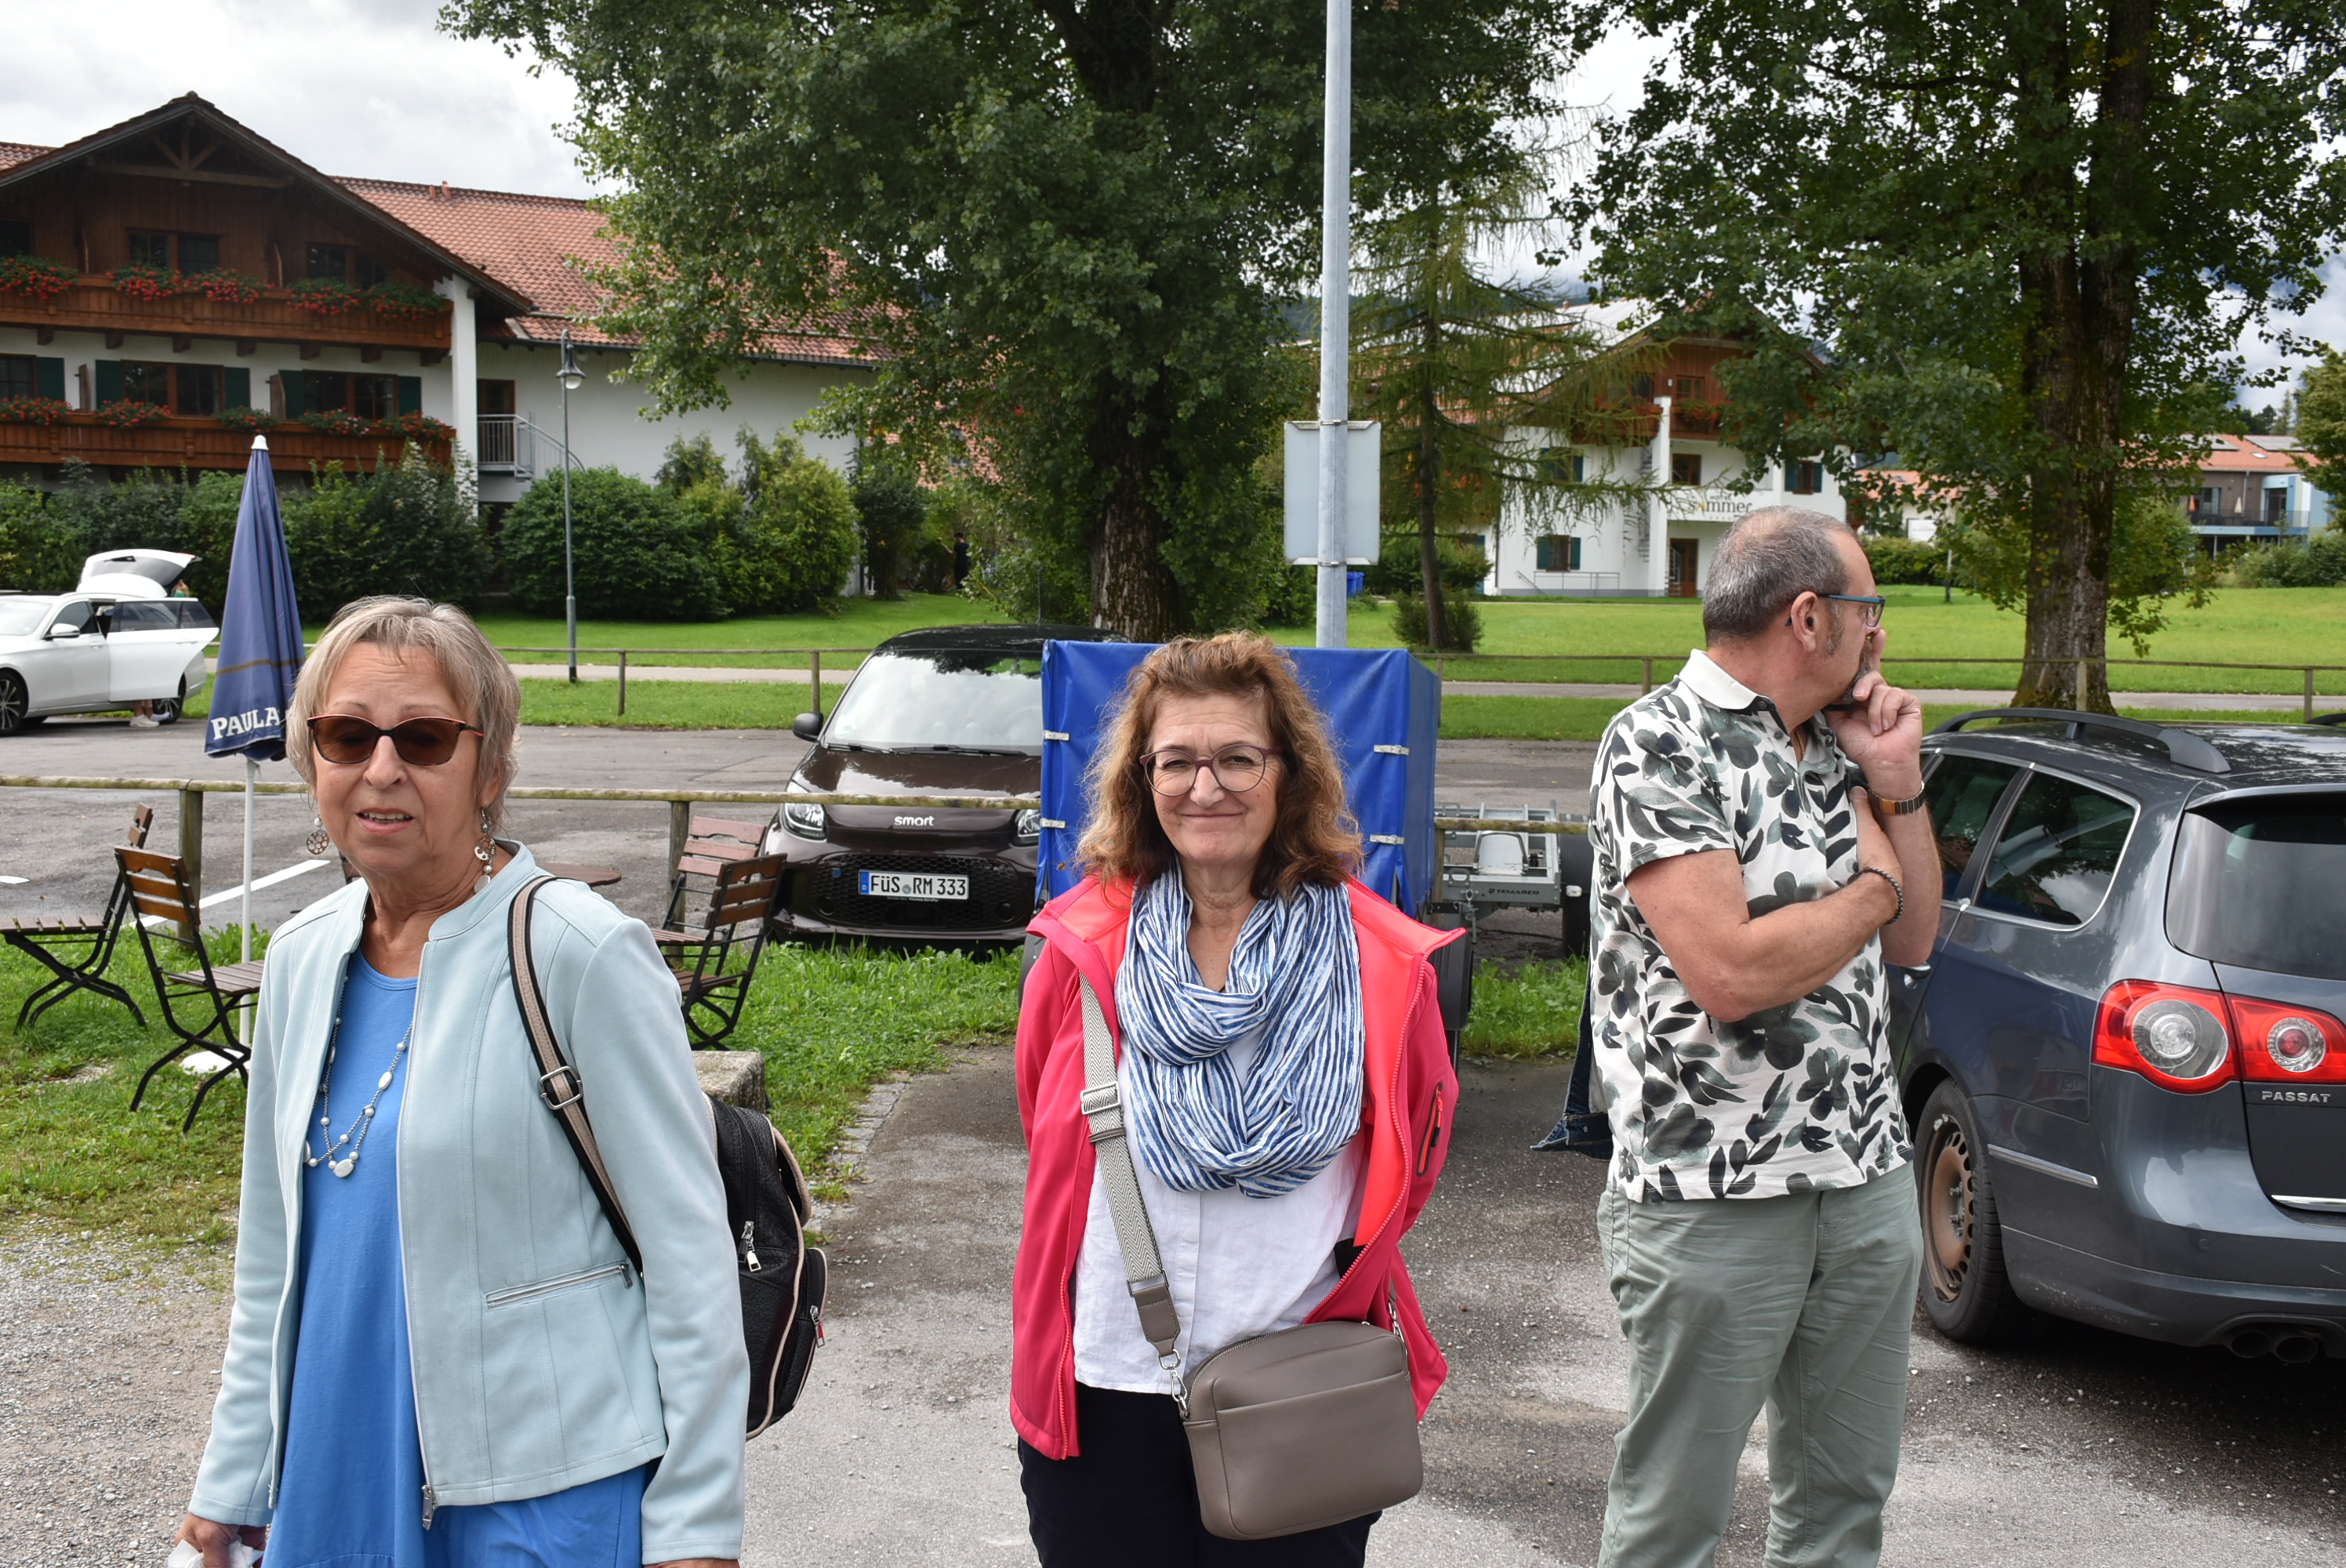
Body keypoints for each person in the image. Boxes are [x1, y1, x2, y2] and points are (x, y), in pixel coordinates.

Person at [176, 597, 747, 1568]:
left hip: (540, 1490)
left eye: (424, 738)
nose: (381, 768)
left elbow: (689, 1257)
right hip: (338, 1464)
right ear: (311, 758)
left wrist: (697, 1523)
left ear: (491, 767)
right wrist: (231, 1475)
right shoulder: (303, 955)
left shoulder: (578, 951)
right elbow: (271, 1252)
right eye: (346, 735)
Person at [1011, 633, 1458, 1566]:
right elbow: (1050, 1140)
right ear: (1141, 778)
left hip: (1302, 1380)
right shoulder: (1080, 950)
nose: (1203, 787)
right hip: (1106, 1379)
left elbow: (1408, 1158)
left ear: (1288, 772)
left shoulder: (1378, 962)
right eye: (1175, 760)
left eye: (1237, 758)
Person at [1584, 506, 1936, 1568]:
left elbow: (1916, 936)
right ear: (1809, 617)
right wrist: (1873, 887)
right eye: (1869, 608)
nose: (1881, 633)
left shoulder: (1838, 743)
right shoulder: (1658, 741)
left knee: (1843, 1503)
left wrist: (1897, 781)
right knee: (1672, 1518)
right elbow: (1731, 974)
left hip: (1865, 1176)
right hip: (1711, 1192)